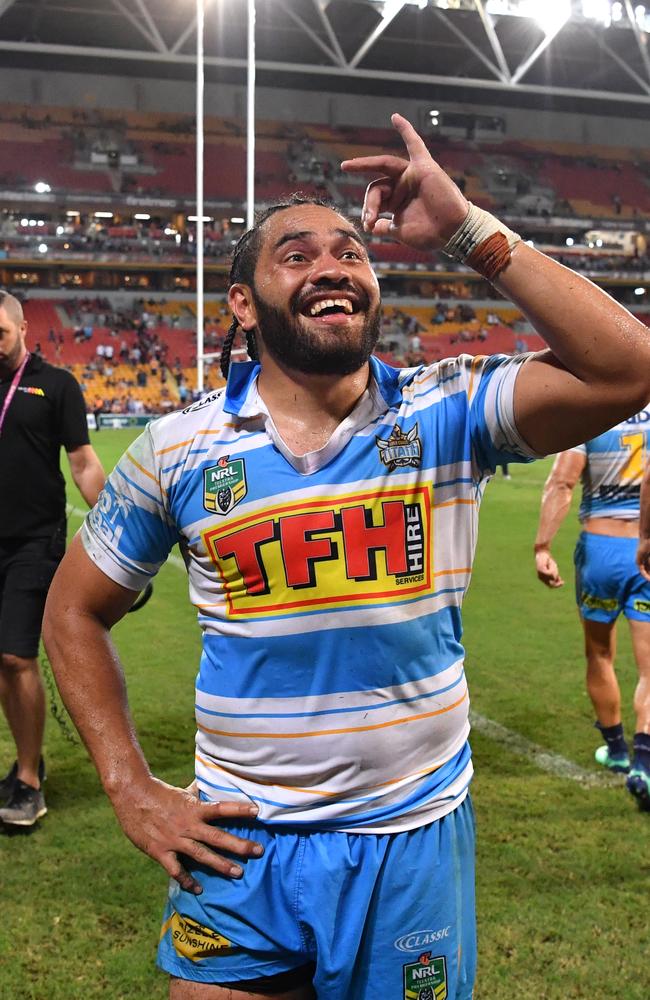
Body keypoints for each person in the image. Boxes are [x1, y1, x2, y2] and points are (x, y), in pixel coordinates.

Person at [43, 115, 650, 999]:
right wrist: (131, 788)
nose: (333, 265)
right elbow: (71, 612)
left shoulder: (448, 411)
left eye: (350, 253)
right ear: (242, 304)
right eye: (296, 255)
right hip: (241, 840)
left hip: (411, 840)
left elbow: (629, 369)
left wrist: (467, 230)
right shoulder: (176, 449)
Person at [0, 290, 105, 827]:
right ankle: (25, 755)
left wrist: (118, 532)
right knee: (1, 661)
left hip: (34, 541)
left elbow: (84, 463)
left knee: (17, 657)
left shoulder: (56, 385)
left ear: (22, 329)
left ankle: (28, 781)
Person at [534, 411, 650, 811]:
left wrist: (542, 547)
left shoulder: (597, 414)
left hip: (600, 551)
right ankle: (645, 763)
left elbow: (562, 482)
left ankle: (617, 751)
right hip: (645, 551)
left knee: (599, 653)